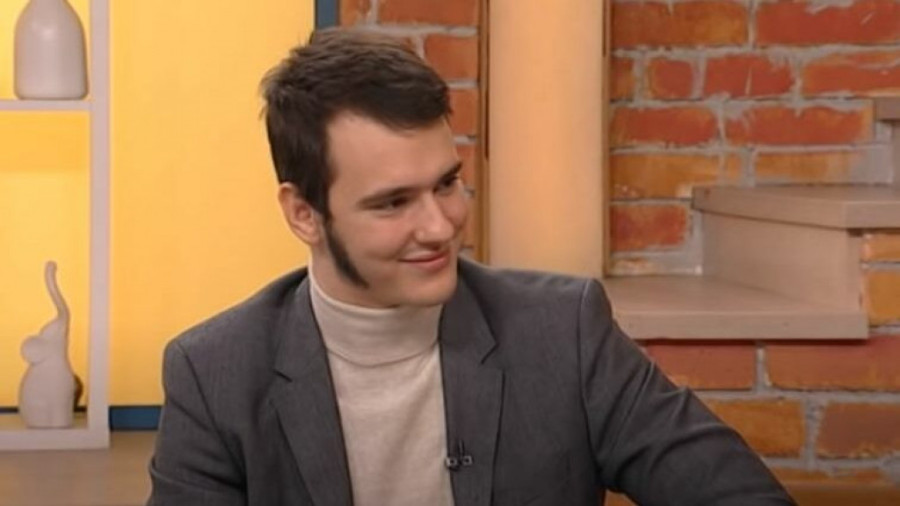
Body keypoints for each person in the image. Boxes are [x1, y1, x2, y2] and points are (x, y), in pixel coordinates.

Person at [147, 28, 794, 506]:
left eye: (447, 183)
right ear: (304, 214)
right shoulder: (216, 374)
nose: (441, 226)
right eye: (393, 202)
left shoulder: (562, 331)